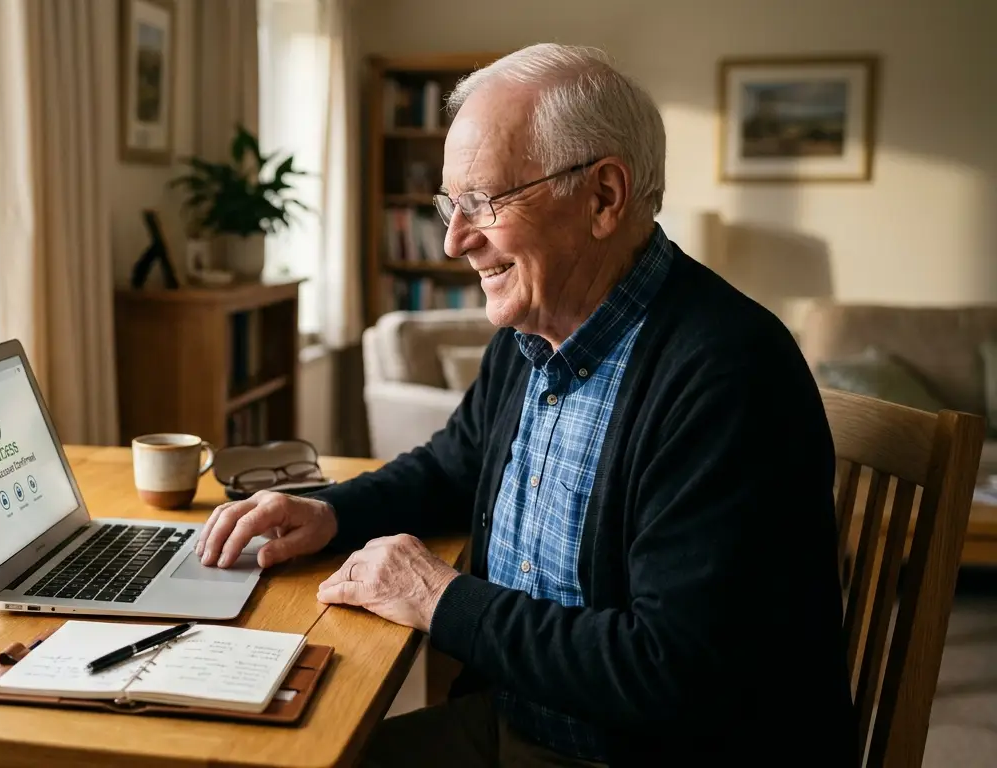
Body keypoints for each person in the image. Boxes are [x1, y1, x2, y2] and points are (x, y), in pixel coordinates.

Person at [196, 44, 857, 767]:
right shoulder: (536, 330)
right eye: (452, 204)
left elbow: (673, 671)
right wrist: (329, 511)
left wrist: (439, 598)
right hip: (526, 723)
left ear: (604, 197)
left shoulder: (728, 373)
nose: (455, 239)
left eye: (484, 202)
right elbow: (454, 465)